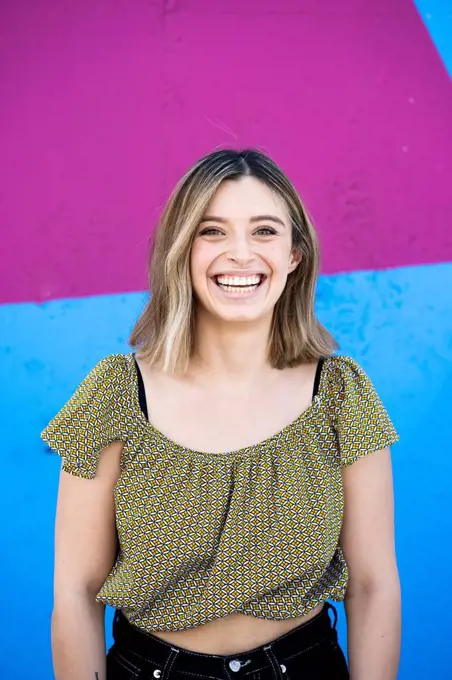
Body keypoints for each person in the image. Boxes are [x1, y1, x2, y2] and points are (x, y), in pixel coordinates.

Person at [42, 148, 401, 680]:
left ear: (295, 254)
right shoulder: (116, 393)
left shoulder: (341, 395)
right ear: (182, 251)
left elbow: (373, 584)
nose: (240, 254)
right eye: (212, 231)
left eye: (264, 231)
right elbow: (75, 592)